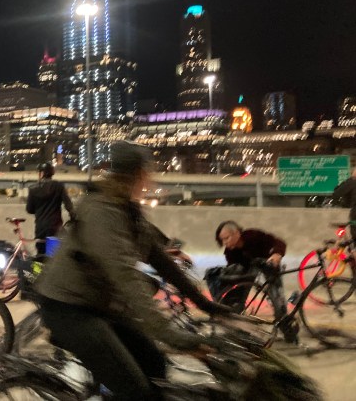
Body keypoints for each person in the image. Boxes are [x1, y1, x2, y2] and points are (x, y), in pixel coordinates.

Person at [35, 141, 228, 400]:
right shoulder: (102, 211)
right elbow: (126, 278)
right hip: (68, 307)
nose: (150, 176)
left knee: (155, 364)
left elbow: (161, 260)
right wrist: (171, 335)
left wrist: (205, 304)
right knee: (138, 390)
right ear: (137, 173)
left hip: (97, 304)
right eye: (147, 170)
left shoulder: (126, 208)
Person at [207, 220, 299, 343]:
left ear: (236, 233)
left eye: (227, 238)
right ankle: (238, 322)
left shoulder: (253, 236)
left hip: (268, 265)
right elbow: (234, 266)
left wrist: (276, 254)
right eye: (222, 240)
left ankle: (288, 333)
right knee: (237, 293)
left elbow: (278, 242)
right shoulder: (230, 251)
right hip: (250, 270)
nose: (225, 243)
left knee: (277, 301)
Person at [26, 162, 76, 256]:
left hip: (40, 228)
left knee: (40, 256)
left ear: (41, 173)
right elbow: (68, 204)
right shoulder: (58, 186)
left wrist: (39, 209)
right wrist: (73, 216)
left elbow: (29, 209)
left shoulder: (33, 189)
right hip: (55, 227)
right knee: (53, 256)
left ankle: (38, 270)